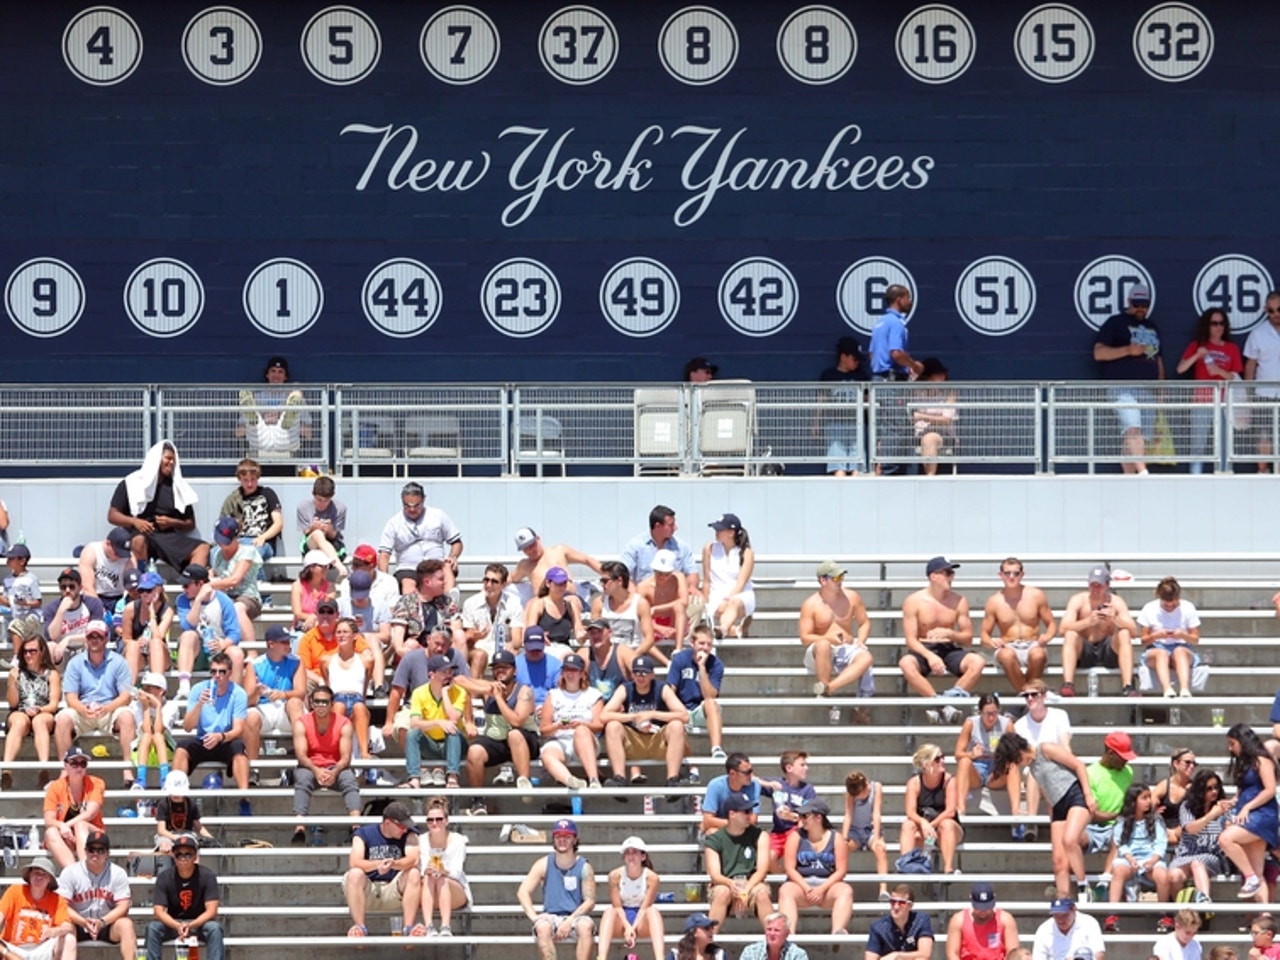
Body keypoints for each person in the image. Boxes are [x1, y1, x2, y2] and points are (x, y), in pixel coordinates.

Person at [993, 732, 1096, 901]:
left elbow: (1078, 765)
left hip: (1075, 795)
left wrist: (1088, 794)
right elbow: (1049, 792)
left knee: (1069, 840)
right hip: (1058, 807)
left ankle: (1083, 884)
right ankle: (1064, 899)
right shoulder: (1032, 768)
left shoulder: (1045, 748)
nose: (1018, 765)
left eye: (1015, 760)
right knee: (1058, 862)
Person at [53, 619, 136, 786]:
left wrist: (107, 708)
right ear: (86, 639)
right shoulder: (75, 663)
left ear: (106, 639)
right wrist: (83, 709)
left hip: (110, 709)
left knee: (127, 715)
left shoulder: (119, 662)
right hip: (83, 710)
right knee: (62, 718)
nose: (94, 640)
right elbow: (70, 697)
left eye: (98, 636)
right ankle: (65, 768)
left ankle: (128, 767)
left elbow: (126, 696)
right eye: (91, 636)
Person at [899, 557, 982, 721]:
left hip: (949, 648)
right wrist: (930, 656)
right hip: (923, 648)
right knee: (906, 663)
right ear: (933, 576)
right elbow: (911, 639)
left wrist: (951, 634)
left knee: (977, 662)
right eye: (947, 573)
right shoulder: (914, 601)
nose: (951, 577)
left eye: (952, 573)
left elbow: (968, 638)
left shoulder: (958, 601)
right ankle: (939, 704)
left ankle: (950, 700)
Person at [107, 439, 208, 573]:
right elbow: (112, 515)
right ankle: (142, 582)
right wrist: (135, 522)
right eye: (167, 458)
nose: (171, 463)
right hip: (140, 533)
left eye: (174, 460)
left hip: (167, 536)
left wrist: (171, 522)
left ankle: (192, 586)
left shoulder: (177, 487)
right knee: (138, 541)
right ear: (156, 459)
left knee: (203, 548)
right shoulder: (131, 483)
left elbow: (190, 523)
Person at [1094, 283, 1163, 475]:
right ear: (1129, 302)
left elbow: (1158, 360)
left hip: (1147, 388)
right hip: (1122, 387)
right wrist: (1127, 350)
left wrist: (1161, 389)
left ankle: (1129, 479)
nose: (1141, 308)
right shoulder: (1115, 322)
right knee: (1133, 429)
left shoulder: (1152, 326)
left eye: (1145, 304)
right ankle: (1142, 473)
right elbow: (1098, 353)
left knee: (1135, 437)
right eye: (1137, 304)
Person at [174, 652, 251, 816]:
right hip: (204, 738)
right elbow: (188, 727)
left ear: (229, 673)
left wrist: (221, 737)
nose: (217, 676)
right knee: (181, 748)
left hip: (225, 739)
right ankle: (176, 801)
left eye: (221, 671)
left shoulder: (238, 693)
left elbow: (238, 729)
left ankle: (244, 799)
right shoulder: (198, 690)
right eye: (213, 671)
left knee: (239, 748)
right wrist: (199, 704)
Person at [601, 654, 689, 791]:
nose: (640, 677)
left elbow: (684, 715)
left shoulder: (662, 688)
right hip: (633, 741)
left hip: (657, 740)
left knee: (677, 725)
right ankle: (619, 779)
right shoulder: (625, 688)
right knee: (612, 726)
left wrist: (653, 714)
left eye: (644, 673)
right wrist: (632, 717)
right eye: (636, 673)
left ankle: (672, 779)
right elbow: (604, 715)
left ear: (652, 675)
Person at [465, 650, 538, 810]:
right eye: (497, 668)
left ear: (515, 670)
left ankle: (524, 782)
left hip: (524, 742)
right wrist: (485, 688)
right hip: (498, 741)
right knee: (474, 751)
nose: (500, 671)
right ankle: (477, 800)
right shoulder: (490, 688)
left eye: (505, 667)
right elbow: (459, 680)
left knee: (514, 734)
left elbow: (516, 720)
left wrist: (498, 697)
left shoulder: (524, 691)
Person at [517, 818, 596, 960]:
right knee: (542, 928)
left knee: (586, 926)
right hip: (551, 915)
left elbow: (590, 901)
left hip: (575, 915)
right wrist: (534, 917)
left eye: (567, 836)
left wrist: (570, 920)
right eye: (558, 836)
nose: (562, 840)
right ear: (553, 839)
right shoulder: (544, 863)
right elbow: (523, 891)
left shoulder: (584, 866)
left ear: (575, 839)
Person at [290, 685, 360, 844]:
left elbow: (345, 757)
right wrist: (316, 770)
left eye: (325, 702)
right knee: (302, 779)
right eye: (317, 702)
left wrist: (334, 772)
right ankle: (299, 828)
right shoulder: (301, 723)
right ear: (311, 703)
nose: (321, 705)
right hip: (310, 765)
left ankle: (356, 827)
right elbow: (301, 755)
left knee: (349, 779)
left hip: (335, 767)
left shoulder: (344, 723)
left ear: (331, 703)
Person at [1177, 307, 1243, 473]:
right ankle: (1195, 479)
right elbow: (1180, 369)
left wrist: (1220, 371)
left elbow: (1235, 377)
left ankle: (1225, 477)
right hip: (1202, 401)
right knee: (1198, 444)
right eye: (1214, 323)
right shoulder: (1197, 345)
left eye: (1221, 323)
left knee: (1224, 445)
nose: (1218, 327)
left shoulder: (1231, 348)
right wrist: (1197, 356)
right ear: (1207, 325)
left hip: (1224, 401)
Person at [343, 800, 422, 938]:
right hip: (369, 890)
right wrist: (377, 864)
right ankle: (360, 928)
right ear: (387, 823)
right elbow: (354, 862)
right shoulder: (363, 833)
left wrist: (393, 864)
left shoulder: (410, 834)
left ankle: (408, 929)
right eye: (402, 826)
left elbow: (413, 859)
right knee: (354, 874)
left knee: (414, 873)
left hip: (394, 890)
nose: (405, 830)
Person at [1058, 564, 1139, 698]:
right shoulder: (1078, 600)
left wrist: (1114, 619)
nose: (1095, 589)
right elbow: (1062, 629)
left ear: (1107, 585)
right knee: (1070, 634)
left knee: (1124, 633)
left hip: (1108, 649)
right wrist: (1088, 621)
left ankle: (1127, 686)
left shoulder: (1116, 602)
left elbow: (1134, 632)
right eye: (1092, 585)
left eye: (1099, 585)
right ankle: (1068, 684)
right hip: (1084, 649)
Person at [776, 798, 851, 941]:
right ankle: (789, 933)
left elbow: (841, 870)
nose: (801, 819)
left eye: (805, 816)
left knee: (845, 890)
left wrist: (821, 889)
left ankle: (837, 931)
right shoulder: (795, 836)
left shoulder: (836, 838)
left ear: (818, 817)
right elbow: (790, 869)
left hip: (827, 886)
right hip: (801, 885)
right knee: (785, 890)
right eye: (801, 816)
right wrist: (807, 889)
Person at [1219, 722, 1279, 901]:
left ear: (1242, 741)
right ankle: (1264, 918)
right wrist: (1233, 802)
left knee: (1225, 839)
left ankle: (1250, 878)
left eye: (1232, 743)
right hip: (1250, 814)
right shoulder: (1245, 763)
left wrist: (1247, 807)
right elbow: (1245, 790)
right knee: (1258, 872)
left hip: (1262, 815)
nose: (1230, 748)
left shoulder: (1262, 760)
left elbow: (1269, 789)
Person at [144, 831, 224, 960]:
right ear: (173, 856)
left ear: (195, 856)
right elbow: (158, 911)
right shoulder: (164, 877)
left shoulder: (207, 876)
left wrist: (191, 925)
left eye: (188, 854)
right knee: (152, 928)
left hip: (199, 923)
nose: (183, 858)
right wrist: (177, 925)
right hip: (173, 924)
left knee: (215, 928)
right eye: (179, 854)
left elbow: (212, 911)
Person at [799, 560, 872, 699]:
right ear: (823, 580)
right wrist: (827, 638)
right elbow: (805, 637)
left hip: (845, 648)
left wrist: (860, 641)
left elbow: (864, 623)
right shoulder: (810, 604)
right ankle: (826, 690)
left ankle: (828, 689)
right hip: (820, 652)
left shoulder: (852, 597)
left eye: (842, 577)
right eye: (836, 578)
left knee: (866, 657)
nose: (840, 581)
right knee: (823, 645)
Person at [243, 624, 306, 787]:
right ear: (271, 644)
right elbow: (248, 701)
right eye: (284, 642)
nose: (289, 645)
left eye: (288, 642)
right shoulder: (255, 664)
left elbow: (301, 692)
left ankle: (303, 764)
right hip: (265, 708)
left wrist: (283, 694)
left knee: (295, 703)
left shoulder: (297, 661)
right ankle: (253, 769)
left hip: (286, 708)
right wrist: (257, 692)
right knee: (250, 716)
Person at [981, 557, 1056, 691]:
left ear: (1022, 574)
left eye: (1016, 573)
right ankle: (1027, 696)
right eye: (1007, 573)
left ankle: (1023, 699)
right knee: (1006, 655)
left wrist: (1047, 636)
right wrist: (992, 642)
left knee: (1038, 654)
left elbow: (1051, 623)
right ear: (1000, 575)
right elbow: (984, 636)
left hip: (1032, 643)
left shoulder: (1036, 595)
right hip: (1008, 645)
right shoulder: (994, 601)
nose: (1011, 577)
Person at [57, 829, 134, 960]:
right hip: (78, 924)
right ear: (85, 850)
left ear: (108, 853)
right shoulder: (71, 872)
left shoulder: (117, 873)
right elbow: (61, 905)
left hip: (107, 925)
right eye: (92, 849)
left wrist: (103, 922)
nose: (95, 854)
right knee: (64, 927)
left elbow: (123, 906)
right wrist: (83, 922)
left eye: (101, 850)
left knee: (126, 925)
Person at [1013, 679, 1074, 840]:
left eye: (1034, 694)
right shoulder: (1020, 725)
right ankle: (1034, 822)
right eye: (1026, 696)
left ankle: (1048, 823)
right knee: (1037, 770)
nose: (1030, 699)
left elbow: (1065, 745)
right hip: (1035, 769)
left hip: (1058, 765)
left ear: (1044, 696)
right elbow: (1025, 758)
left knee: (1044, 773)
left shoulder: (1059, 715)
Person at [3, 621, 60, 791]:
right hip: (20, 710)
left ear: (41, 653)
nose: (28, 655)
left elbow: (54, 703)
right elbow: (13, 703)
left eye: (32, 651)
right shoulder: (17, 672)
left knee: (39, 721)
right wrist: (12, 683)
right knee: (19, 722)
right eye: (25, 651)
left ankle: (44, 770)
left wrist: (38, 710)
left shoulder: (52, 674)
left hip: (43, 710)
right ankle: (6, 771)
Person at [379, 481, 463, 594]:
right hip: (408, 568)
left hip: (436, 564)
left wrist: (452, 557)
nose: (412, 509)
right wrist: (385, 580)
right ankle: (411, 606)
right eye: (407, 506)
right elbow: (384, 554)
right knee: (407, 582)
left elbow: (457, 542)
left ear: (423, 500)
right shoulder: (393, 523)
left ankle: (449, 600)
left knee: (447, 567)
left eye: (416, 505)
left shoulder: (438, 516)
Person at [173, 563, 244, 693]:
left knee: (236, 653)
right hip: (195, 652)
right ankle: (184, 686)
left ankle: (233, 695)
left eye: (187, 585)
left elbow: (235, 633)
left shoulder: (223, 600)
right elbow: (187, 626)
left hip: (217, 650)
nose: (183, 589)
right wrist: (198, 600)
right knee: (188, 635)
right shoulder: (182, 600)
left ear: (200, 584)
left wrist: (223, 644)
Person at [405, 653, 472, 790]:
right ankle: (414, 779)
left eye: (450, 671)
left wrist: (445, 693)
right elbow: (414, 723)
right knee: (412, 734)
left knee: (452, 729)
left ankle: (452, 777)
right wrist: (438, 722)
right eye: (444, 672)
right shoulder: (419, 692)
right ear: (431, 674)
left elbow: (453, 718)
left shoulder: (459, 692)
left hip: (455, 744)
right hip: (432, 745)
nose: (449, 675)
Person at [704, 793, 772, 929]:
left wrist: (745, 889)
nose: (750, 816)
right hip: (725, 882)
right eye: (746, 812)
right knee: (722, 893)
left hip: (752, 881)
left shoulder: (760, 835)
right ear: (732, 814)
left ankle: (777, 940)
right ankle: (708, 942)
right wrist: (732, 885)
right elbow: (715, 876)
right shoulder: (714, 840)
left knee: (762, 894)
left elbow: (762, 870)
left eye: (751, 811)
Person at [540, 653, 606, 791]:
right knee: (547, 754)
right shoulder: (553, 695)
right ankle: (570, 780)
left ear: (582, 673)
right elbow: (544, 729)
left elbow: (599, 726)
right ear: (562, 672)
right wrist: (558, 725)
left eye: (574, 670)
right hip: (560, 740)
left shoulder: (593, 694)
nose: (570, 674)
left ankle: (594, 780)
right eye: (567, 670)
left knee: (581, 731)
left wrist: (581, 724)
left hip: (586, 742)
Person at [1080, 732, 1139, 885]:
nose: (1126, 761)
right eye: (1123, 756)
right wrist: (1118, 815)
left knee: (1119, 835)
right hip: (1092, 826)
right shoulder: (1090, 773)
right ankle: (1077, 885)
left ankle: (1105, 880)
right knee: (1072, 840)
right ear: (1111, 753)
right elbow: (1091, 814)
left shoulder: (1128, 771)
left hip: (1119, 827)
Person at [597, 835, 665, 960]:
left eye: (634, 852)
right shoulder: (614, 876)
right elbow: (617, 906)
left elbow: (645, 908)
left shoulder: (652, 878)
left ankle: (660, 957)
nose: (631, 856)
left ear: (643, 856)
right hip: (621, 918)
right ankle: (601, 956)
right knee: (609, 911)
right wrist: (627, 927)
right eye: (627, 853)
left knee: (653, 911)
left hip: (641, 919)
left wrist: (633, 928)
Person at [1168, 767, 1230, 904]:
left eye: (1216, 787)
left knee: (1197, 863)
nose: (1214, 791)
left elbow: (1230, 827)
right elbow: (1190, 829)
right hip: (1186, 854)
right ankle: (1181, 912)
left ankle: (1204, 904)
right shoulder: (1187, 807)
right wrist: (1211, 815)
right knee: (1174, 875)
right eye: (1209, 788)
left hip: (1211, 855)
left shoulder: (1223, 807)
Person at [900, 742, 963, 874]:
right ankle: (905, 866)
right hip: (926, 828)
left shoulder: (950, 781)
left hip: (946, 829)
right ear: (926, 764)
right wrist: (923, 823)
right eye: (937, 759)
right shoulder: (914, 782)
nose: (943, 761)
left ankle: (948, 869)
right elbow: (910, 811)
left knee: (947, 825)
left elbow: (950, 811)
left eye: (943, 757)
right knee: (908, 825)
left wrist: (931, 826)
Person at [1106, 782, 1170, 909]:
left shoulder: (1156, 819)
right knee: (1118, 871)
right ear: (1134, 801)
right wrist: (1130, 859)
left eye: (1149, 797)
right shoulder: (1122, 820)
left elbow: (1161, 843)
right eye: (1144, 798)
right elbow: (1121, 843)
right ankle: (1112, 913)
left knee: (1162, 875)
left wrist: (1153, 860)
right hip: (1129, 859)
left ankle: (1164, 914)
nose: (1148, 801)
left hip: (1151, 859)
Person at [665, 625, 725, 759]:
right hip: (680, 708)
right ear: (692, 643)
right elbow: (670, 690)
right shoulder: (680, 659)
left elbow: (709, 695)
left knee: (711, 703)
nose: (705, 647)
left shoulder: (716, 665)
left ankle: (716, 748)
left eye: (709, 644)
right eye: (701, 643)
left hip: (700, 710)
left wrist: (702, 667)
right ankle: (690, 767)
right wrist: (679, 711)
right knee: (676, 721)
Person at [43, 745, 106, 870]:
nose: (79, 767)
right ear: (66, 765)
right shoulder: (55, 787)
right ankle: (75, 874)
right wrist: (61, 826)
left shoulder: (96, 783)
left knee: (81, 824)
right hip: (65, 837)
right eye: (74, 763)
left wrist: (66, 825)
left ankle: (85, 869)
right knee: (50, 832)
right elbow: (48, 820)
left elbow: (90, 813)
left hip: (92, 835)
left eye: (83, 763)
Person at [416, 796, 472, 938]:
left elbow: (457, 871)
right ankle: (429, 926)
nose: (434, 823)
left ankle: (445, 926)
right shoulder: (421, 840)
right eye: (430, 820)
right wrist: (427, 870)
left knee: (442, 879)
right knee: (430, 877)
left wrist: (443, 871)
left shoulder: (458, 840)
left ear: (446, 821)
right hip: (429, 890)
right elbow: (420, 868)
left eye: (439, 819)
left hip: (454, 890)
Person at [954, 693, 1017, 816]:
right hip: (977, 768)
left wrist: (1003, 754)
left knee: (1012, 765)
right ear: (980, 712)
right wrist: (971, 754)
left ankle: (1016, 810)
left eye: (994, 713)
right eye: (987, 713)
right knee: (964, 762)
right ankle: (961, 808)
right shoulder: (971, 723)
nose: (991, 718)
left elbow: (1015, 752)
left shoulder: (1006, 724)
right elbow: (958, 754)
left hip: (996, 768)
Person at [1138, 577, 1202, 699]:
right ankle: (1167, 689)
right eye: (1166, 605)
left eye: (1173, 605)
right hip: (1156, 648)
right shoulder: (1149, 608)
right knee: (1161, 654)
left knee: (1179, 651)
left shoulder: (1187, 608)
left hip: (1182, 647)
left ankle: (1184, 689)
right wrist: (1156, 635)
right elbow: (1144, 640)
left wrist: (1182, 635)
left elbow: (1195, 639)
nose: (1170, 608)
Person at [388, 558, 464, 660]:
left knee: (459, 635)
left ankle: (458, 672)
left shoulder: (446, 602)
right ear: (427, 582)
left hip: (442, 648)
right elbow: (398, 642)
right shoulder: (407, 602)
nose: (444, 582)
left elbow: (456, 628)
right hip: (417, 652)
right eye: (441, 579)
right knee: (410, 644)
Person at [0, 856, 74, 960]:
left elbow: (68, 927)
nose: (39, 877)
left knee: (69, 939)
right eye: (36, 873)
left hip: (42, 949)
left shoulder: (57, 899)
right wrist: (7, 953)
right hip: (14, 948)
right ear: (29, 875)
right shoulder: (15, 891)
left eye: (44, 875)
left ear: (49, 879)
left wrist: (55, 931)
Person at [818, 335, 870, 477]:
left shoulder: (861, 376)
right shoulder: (829, 375)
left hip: (857, 424)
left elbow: (868, 402)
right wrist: (816, 424)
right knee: (838, 464)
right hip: (835, 424)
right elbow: (821, 401)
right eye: (854, 359)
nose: (857, 362)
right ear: (843, 357)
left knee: (857, 466)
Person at [238, 355, 310, 458]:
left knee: (291, 423)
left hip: (286, 441)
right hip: (260, 441)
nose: (276, 375)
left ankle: (288, 415)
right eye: (273, 371)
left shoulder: (296, 398)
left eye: (280, 372)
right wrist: (264, 420)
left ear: (285, 376)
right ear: (267, 374)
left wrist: (278, 420)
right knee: (254, 424)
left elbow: (308, 433)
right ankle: (254, 418)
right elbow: (238, 432)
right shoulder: (255, 398)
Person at [207, 516, 263, 645]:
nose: (221, 544)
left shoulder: (247, 552)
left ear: (235, 538)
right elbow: (213, 572)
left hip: (247, 597)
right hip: (224, 596)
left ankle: (251, 653)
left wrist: (209, 584)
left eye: (225, 541)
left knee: (237, 609)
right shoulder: (217, 554)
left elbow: (235, 579)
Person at [700, 513, 756, 640]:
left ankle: (724, 629)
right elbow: (707, 580)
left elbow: (741, 583)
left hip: (740, 595)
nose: (716, 532)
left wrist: (726, 601)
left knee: (733, 603)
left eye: (720, 529)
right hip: (716, 595)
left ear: (731, 532)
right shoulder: (709, 548)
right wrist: (705, 602)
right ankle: (735, 630)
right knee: (717, 611)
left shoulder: (747, 553)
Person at [464, 562, 525, 677]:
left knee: (511, 655)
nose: (488, 584)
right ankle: (476, 694)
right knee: (479, 656)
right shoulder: (470, 603)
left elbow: (517, 640)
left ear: (503, 585)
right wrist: (474, 636)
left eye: (494, 581)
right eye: (486, 580)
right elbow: (467, 640)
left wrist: (510, 648)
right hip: (479, 648)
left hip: (504, 647)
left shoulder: (514, 604)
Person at [218, 458, 284, 561]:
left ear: (258, 478)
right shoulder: (233, 499)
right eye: (245, 480)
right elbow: (223, 526)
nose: (249, 484)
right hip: (239, 541)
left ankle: (255, 578)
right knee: (215, 553)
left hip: (263, 541)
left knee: (251, 554)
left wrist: (263, 537)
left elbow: (278, 523)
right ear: (239, 479)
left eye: (253, 479)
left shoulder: (267, 494)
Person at [760, 751, 817, 870]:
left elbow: (811, 817)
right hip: (778, 832)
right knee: (769, 857)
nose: (806, 768)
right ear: (789, 768)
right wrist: (768, 783)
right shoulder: (777, 784)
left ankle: (791, 882)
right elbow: (751, 780)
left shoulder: (807, 790)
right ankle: (784, 883)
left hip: (797, 831)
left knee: (790, 856)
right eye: (802, 765)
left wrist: (791, 816)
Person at [511, 527, 603, 600]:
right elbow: (508, 578)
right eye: (525, 548)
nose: (530, 550)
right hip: (545, 608)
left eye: (532, 544)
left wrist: (608, 574)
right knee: (532, 606)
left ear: (538, 539)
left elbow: (587, 560)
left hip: (569, 601)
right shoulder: (524, 565)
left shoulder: (559, 550)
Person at [621, 505, 699, 592]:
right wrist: (636, 597)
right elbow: (623, 574)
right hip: (644, 597)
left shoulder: (681, 546)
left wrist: (691, 588)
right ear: (658, 526)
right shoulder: (635, 546)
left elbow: (692, 573)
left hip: (673, 598)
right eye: (671, 525)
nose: (675, 528)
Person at [1243, 291, 1280, 471]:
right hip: (1263, 393)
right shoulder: (1258, 333)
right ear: (1266, 310)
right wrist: (1249, 395)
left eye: (1279, 309)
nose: (1276, 314)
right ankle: (1262, 471)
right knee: (1263, 436)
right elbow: (1250, 365)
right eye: (1271, 311)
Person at [593, 561, 657, 662]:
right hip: (606, 658)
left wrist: (631, 656)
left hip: (633, 654)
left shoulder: (640, 604)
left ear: (619, 581)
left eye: (605, 581)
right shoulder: (599, 603)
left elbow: (649, 639)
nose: (602, 584)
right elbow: (594, 636)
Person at [42, 567, 106, 665]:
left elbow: (96, 634)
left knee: (94, 644)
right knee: (50, 647)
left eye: (72, 586)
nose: (67, 590)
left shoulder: (93, 604)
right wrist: (61, 611)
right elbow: (52, 636)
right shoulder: (51, 608)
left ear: (80, 587)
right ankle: (54, 679)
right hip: (62, 649)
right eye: (63, 587)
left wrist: (69, 639)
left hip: (85, 645)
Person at [842, 770, 890, 900]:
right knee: (842, 849)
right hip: (855, 830)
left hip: (871, 829)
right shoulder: (851, 793)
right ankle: (837, 883)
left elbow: (876, 813)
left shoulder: (876, 787)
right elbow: (848, 815)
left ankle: (883, 889)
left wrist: (878, 837)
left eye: (861, 793)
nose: (859, 797)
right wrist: (844, 837)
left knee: (880, 849)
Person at [944, 882, 1020, 960]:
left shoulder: (1005, 920)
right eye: (979, 907)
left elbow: (1013, 954)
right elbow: (952, 953)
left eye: (987, 907)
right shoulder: (959, 920)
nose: (983, 911)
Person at [119, 570, 173, 678]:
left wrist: (152, 613)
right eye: (141, 590)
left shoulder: (167, 611)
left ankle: (157, 688)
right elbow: (126, 638)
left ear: (159, 589)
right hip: (138, 654)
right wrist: (137, 642)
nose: (144, 594)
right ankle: (128, 691)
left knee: (155, 643)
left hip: (159, 654)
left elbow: (158, 636)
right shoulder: (131, 608)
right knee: (132, 646)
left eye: (148, 590)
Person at [131, 671, 177, 792]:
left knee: (157, 736)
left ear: (161, 691)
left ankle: (165, 778)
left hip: (165, 748)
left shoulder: (171, 706)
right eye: (144, 688)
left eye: (149, 689)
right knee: (147, 736)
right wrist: (146, 707)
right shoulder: (136, 705)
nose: (145, 692)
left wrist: (157, 707)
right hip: (142, 748)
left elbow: (159, 730)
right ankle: (141, 779)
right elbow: (146, 729)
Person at [912, 357, 959, 475]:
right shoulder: (914, 393)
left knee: (930, 438)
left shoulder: (950, 394)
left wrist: (922, 416)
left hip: (944, 435)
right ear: (927, 378)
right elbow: (909, 417)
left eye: (943, 374)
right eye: (938, 374)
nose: (943, 377)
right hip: (916, 435)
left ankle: (930, 479)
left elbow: (946, 420)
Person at [700, 752, 764, 837]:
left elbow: (752, 821)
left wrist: (734, 824)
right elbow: (708, 820)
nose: (751, 775)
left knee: (762, 836)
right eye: (747, 772)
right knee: (712, 832)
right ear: (732, 774)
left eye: (751, 771)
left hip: (743, 830)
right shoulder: (715, 785)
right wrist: (737, 824)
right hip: (721, 830)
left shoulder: (755, 785)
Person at [865, 883, 934, 960]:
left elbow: (925, 954)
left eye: (901, 903)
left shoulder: (921, 920)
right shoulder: (878, 927)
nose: (896, 907)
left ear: (910, 906)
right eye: (893, 902)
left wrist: (897, 955)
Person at [296, 474, 348, 575]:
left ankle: (337, 567)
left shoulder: (340, 508)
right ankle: (340, 567)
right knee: (318, 534)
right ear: (313, 494)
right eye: (319, 499)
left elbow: (334, 535)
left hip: (332, 543)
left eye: (326, 501)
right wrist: (313, 527)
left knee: (320, 536)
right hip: (311, 543)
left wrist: (328, 529)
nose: (322, 504)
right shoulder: (303, 507)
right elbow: (306, 531)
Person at [527, 566, 587, 653]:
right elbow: (530, 631)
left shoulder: (570, 606)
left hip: (564, 649)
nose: (562, 587)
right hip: (544, 648)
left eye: (564, 583)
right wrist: (539, 636)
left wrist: (582, 635)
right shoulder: (539, 604)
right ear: (548, 583)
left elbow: (579, 637)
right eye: (558, 584)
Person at [76, 526, 136, 610]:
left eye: (122, 554)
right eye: (117, 553)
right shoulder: (92, 551)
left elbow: (131, 588)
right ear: (108, 543)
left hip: (119, 598)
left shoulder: (129, 558)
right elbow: (87, 586)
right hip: (95, 595)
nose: (120, 557)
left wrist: (122, 606)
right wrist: (99, 608)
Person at [154, 771, 215, 854]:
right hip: (168, 834)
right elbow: (161, 830)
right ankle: (167, 866)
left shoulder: (191, 804)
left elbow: (198, 826)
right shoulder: (163, 804)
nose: (176, 795)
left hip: (187, 833)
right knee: (165, 846)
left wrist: (210, 837)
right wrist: (175, 837)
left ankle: (193, 866)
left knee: (190, 846)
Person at [639, 550, 689, 650]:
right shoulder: (643, 586)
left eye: (666, 574)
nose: (662, 576)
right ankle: (667, 661)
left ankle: (678, 649)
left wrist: (656, 608)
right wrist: (657, 627)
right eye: (658, 572)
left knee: (679, 607)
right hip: (653, 623)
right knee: (645, 638)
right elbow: (637, 613)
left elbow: (684, 601)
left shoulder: (678, 578)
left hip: (675, 620)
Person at [1030, 898, 1105, 960]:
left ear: (1074, 909)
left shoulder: (1089, 923)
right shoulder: (1044, 930)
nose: (1060, 920)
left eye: (1064, 915)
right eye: (1056, 916)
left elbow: (1099, 954)